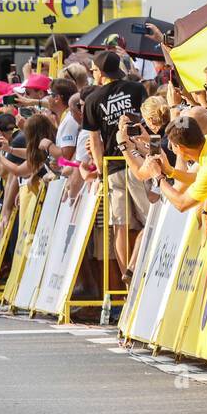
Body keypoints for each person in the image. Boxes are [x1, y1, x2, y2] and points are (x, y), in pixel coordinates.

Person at [82, 50, 149, 284]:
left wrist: (101, 171)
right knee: (149, 219)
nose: (92, 74)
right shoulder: (137, 89)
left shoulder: (91, 100)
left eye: (93, 70)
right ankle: (132, 271)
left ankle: (127, 280)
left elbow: (95, 140)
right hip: (138, 158)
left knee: (120, 226)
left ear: (100, 72)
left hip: (114, 164)